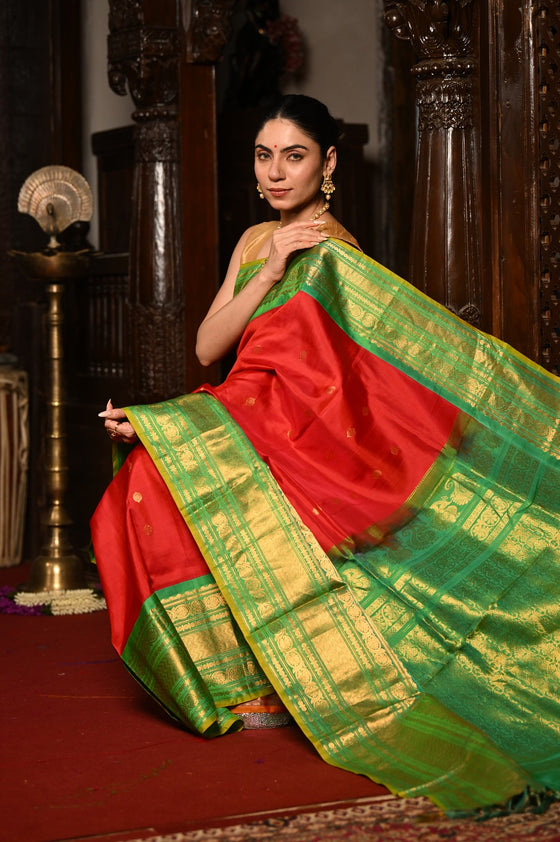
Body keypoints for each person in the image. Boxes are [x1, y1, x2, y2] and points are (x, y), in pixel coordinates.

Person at [91, 95, 560, 816]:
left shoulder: (337, 255)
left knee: (160, 470)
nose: (276, 173)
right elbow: (210, 348)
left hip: (312, 447)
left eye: (295, 156)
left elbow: (321, 397)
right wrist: (265, 272)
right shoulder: (257, 240)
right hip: (247, 418)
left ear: (328, 162)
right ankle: (236, 676)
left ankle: (283, 674)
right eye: (264, 156)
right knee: (145, 481)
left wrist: (171, 428)